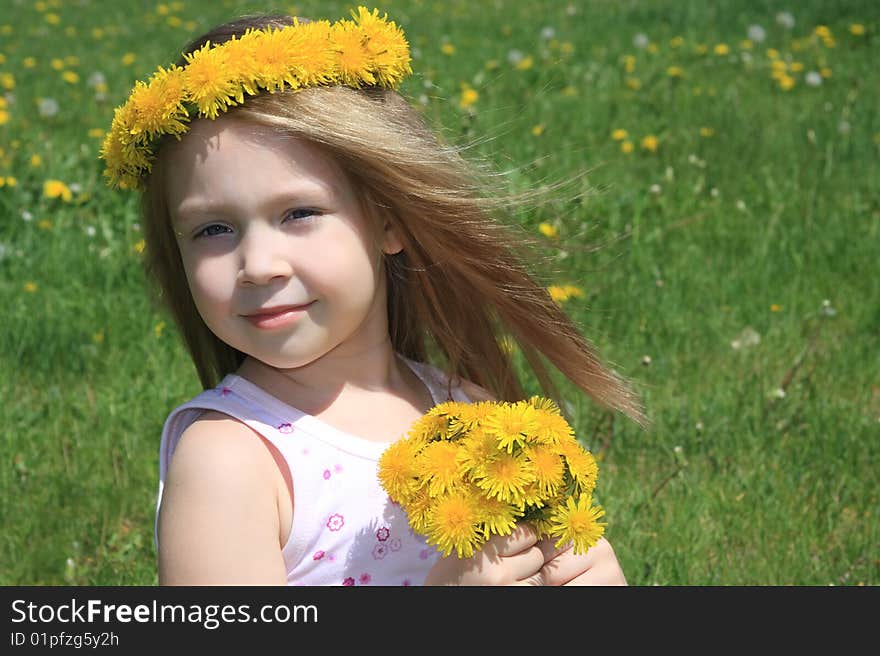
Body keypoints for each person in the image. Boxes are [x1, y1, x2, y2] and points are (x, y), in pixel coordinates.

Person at [101, 7, 648, 586]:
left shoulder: (468, 414)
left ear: (389, 221)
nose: (258, 265)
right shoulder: (232, 463)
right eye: (213, 229)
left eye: (299, 213)